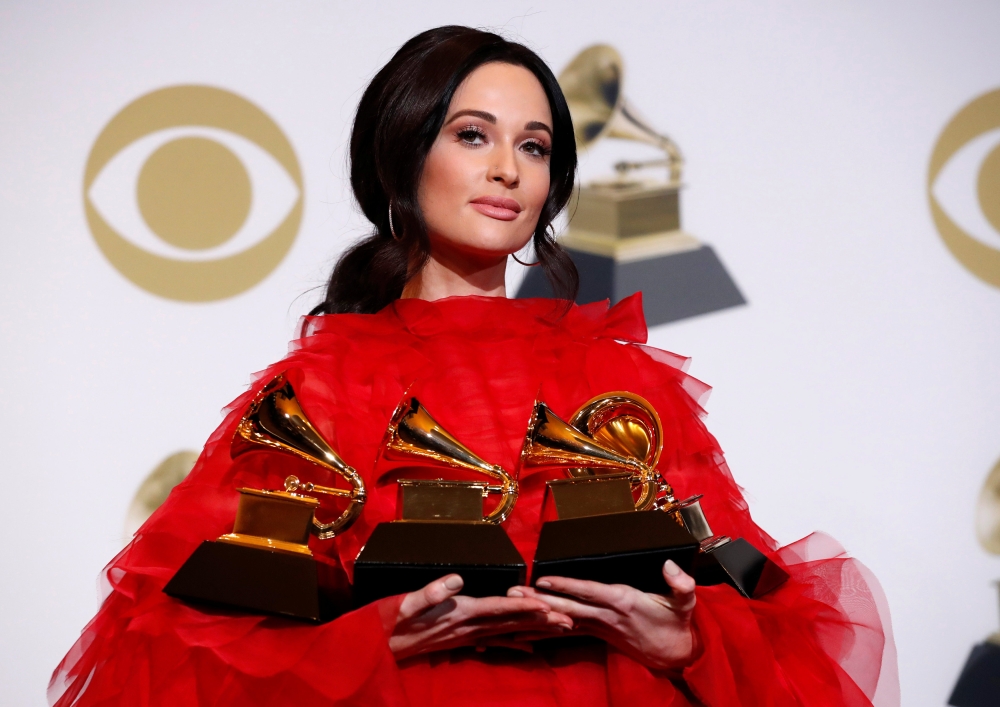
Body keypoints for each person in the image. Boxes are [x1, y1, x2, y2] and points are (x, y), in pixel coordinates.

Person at [50, 26, 897, 706]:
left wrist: (689, 639)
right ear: (402, 155)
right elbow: (171, 648)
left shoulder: (622, 384)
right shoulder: (317, 391)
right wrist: (365, 643)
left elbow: (759, 603)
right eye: (472, 135)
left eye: (534, 147)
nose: (507, 169)